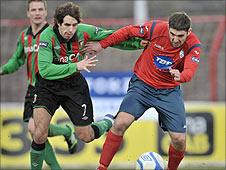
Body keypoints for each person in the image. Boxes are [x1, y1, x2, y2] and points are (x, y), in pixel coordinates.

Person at [30, 2, 144, 169]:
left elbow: (112, 37)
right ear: (57, 23)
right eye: (66, 25)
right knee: (39, 133)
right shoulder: (47, 36)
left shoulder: (85, 31)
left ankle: (106, 122)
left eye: (74, 25)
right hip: (47, 86)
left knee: (86, 136)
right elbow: (46, 70)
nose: (70, 29)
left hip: (74, 85)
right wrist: (76, 65)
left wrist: (136, 44)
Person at [83, 11, 202, 170]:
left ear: (189, 32)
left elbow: (190, 70)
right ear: (168, 28)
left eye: (180, 36)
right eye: (172, 34)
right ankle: (102, 167)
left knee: (179, 140)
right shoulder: (154, 28)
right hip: (142, 86)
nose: (175, 39)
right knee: (120, 123)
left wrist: (182, 76)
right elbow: (126, 32)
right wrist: (101, 45)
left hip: (169, 91)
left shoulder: (194, 45)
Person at [0, 1, 78, 169]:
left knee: (36, 130)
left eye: (40, 9)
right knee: (36, 131)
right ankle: (65, 132)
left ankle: (57, 160)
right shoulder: (24, 37)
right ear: (28, 13)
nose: (37, 13)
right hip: (33, 87)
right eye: (33, 9)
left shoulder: (53, 33)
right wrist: (2, 70)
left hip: (50, 87)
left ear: (46, 12)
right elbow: (17, 60)